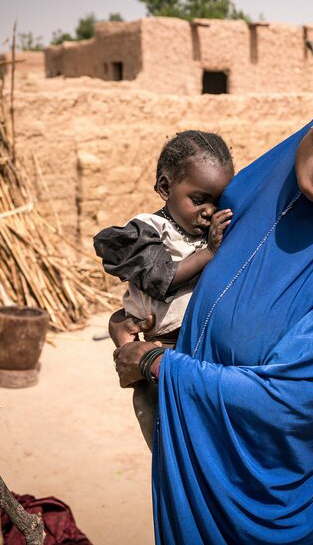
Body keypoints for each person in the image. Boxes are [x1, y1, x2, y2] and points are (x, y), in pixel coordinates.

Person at [113, 83, 313, 543]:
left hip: (276, 494)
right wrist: (132, 322)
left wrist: (158, 366)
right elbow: (176, 273)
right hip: (201, 462)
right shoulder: (249, 195)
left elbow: (301, 398)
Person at [94, 130, 234, 450]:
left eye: (217, 201)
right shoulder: (149, 231)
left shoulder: (207, 234)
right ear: (165, 187)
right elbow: (162, 281)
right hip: (158, 357)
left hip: (197, 352)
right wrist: (209, 254)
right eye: (199, 200)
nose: (209, 211)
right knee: (168, 445)